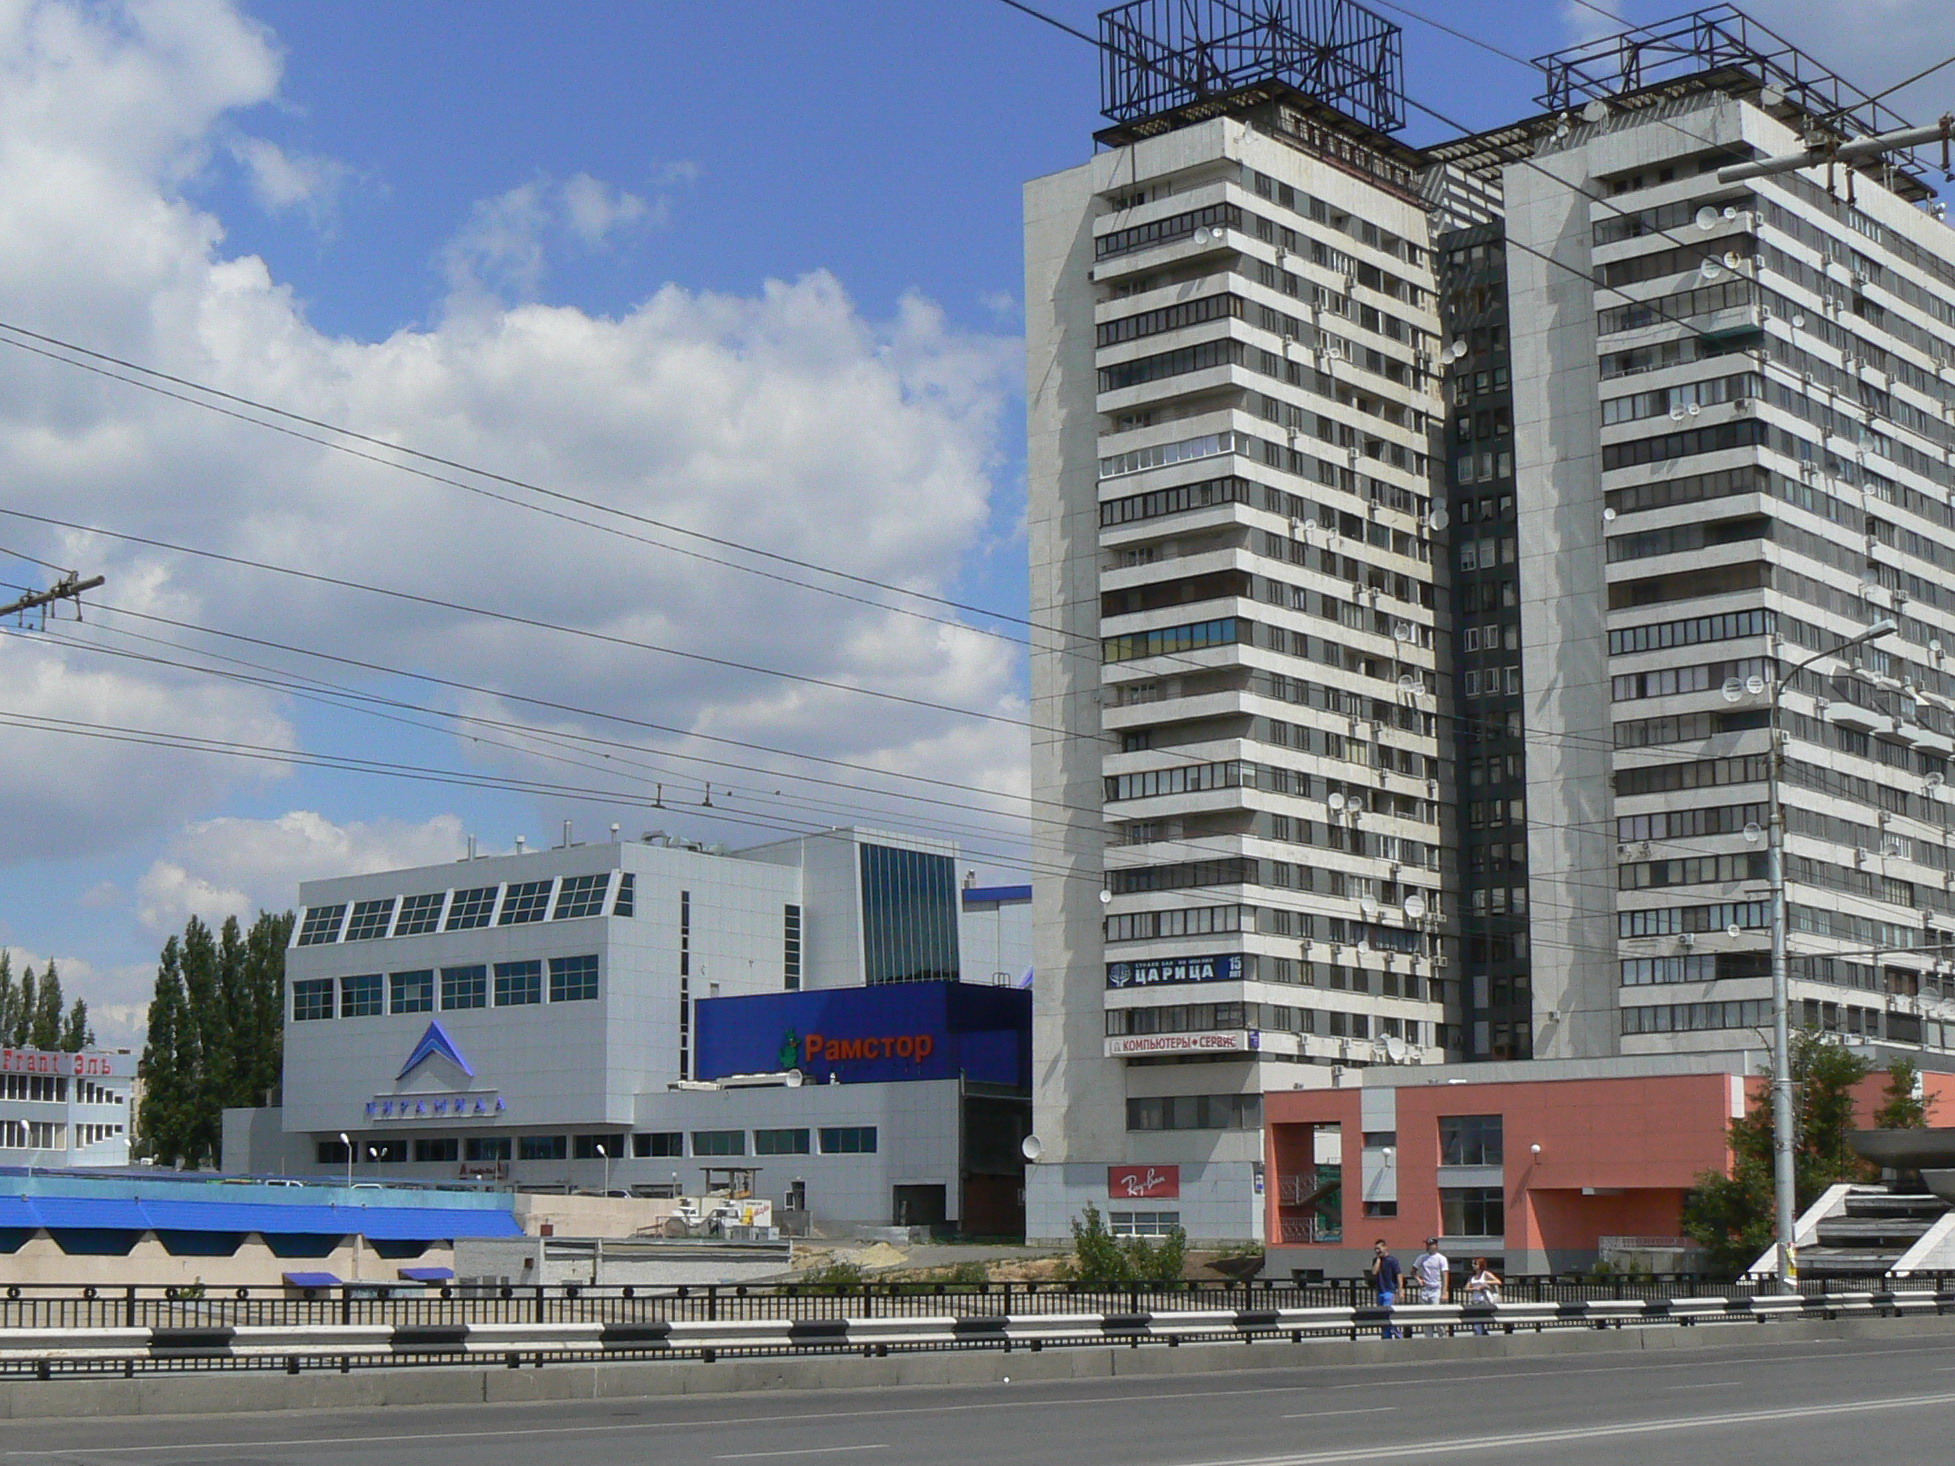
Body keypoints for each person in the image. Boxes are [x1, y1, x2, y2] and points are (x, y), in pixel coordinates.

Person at [1365, 1238, 1403, 1340]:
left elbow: (1398, 1275)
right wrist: (1378, 1259)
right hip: (1380, 1291)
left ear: (1385, 1247)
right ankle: (1387, 1335)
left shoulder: (1392, 1260)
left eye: (1379, 1248)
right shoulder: (1376, 1260)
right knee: (1382, 1315)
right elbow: (1374, 1272)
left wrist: (1400, 1290)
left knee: (1387, 1314)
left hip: (1389, 1291)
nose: (1377, 1251)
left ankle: (1396, 1332)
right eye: (1376, 1249)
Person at [1411, 1237, 1449, 1335]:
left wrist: (1444, 1292)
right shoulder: (1422, 1257)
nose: (1428, 1246)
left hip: (1436, 1288)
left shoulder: (1441, 1258)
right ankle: (1429, 1337)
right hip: (1425, 1289)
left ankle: (1442, 1335)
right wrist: (1418, 1279)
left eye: (1430, 1244)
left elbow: (1445, 1275)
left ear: (1435, 1246)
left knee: (1437, 1314)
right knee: (1426, 1316)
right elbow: (1413, 1271)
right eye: (1427, 1244)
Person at [1464, 1257, 1501, 1336]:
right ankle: (1481, 1333)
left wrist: (1486, 1283)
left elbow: (1498, 1281)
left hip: (1484, 1300)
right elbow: (1466, 1288)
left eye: (1475, 1264)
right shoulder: (1472, 1277)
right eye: (1473, 1264)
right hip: (1475, 1300)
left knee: (1479, 1320)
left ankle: (1480, 1334)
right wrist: (1476, 1288)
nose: (1473, 1266)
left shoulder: (1485, 1274)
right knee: (1477, 1320)